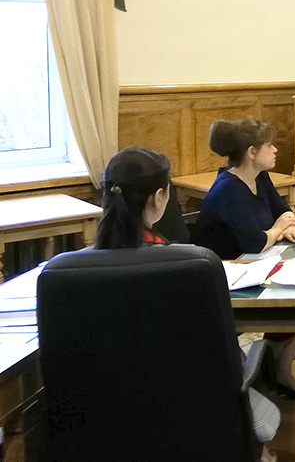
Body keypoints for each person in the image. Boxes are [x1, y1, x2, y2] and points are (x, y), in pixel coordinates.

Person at [96, 147, 281, 447]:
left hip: (104, 418)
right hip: (193, 407)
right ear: (159, 198)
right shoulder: (192, 265)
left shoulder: (62, 270)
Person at [192, 118, 295, 400]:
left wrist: (286, 224)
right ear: (251, 152)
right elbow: (255, 242)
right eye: (269, 145)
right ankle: (274, 374)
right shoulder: (229, 189)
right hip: (225, 281)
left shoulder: (259, 176)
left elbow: (282, 210)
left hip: (252, 266)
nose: (275, 150)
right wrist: (277, 229)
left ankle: (278, 373)